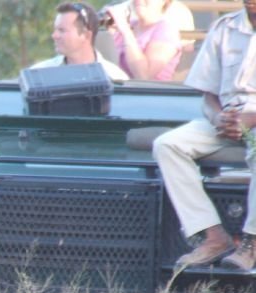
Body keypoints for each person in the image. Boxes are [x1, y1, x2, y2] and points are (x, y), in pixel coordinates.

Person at [152, 0, 256, 270]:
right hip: (226, 115)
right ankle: (212, 235)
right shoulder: (224, 28)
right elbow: (208, 94)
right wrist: (218, 118)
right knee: (168, 144)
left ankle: (252, 242)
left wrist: (250, 120)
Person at [31, 2, 129, 81]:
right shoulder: (39, 75)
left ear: (86, 35)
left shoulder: (115, 78)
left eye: (62, 30)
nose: (54, 36)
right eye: (55, 30)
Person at [103, 0, 182, 80]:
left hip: (148, 91)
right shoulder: (129, 25)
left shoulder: (166, 31)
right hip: (117, 88)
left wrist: (126, 31)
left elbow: (144, 76)